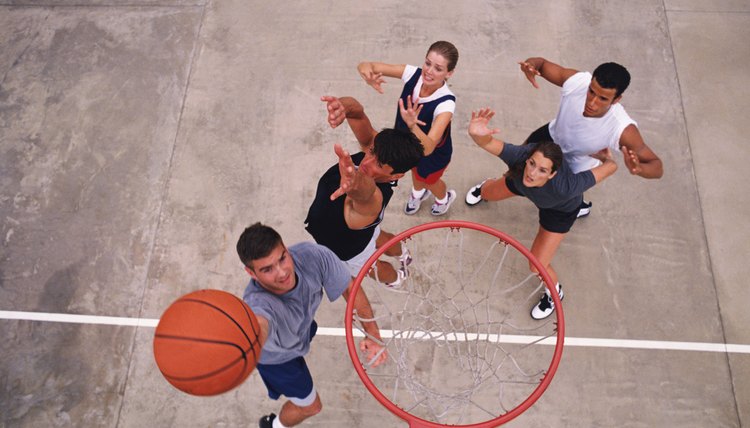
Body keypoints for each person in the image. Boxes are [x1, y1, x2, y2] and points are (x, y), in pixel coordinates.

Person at [467, 108, 618, 319]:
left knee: (536, 265)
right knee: (487, 192)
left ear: (553, 174)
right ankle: (484, 188)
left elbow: (611, 168)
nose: (532, 172)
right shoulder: (520, 160)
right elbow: (488, 143)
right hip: (522, 187)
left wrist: (606, 159)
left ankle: (555, 292)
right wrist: (476, 133)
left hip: (559, 211)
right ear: (527, 159)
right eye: (532, 164)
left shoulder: (567, 186)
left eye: (542, 170)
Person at [466, 58, 663, 217]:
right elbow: (542, 64)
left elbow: (656, 166)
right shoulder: (577, 82)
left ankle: (575, 205)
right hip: (547, 139)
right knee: (518, 171)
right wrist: (531, 66)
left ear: (617, 99)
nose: (592, 102)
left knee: (565, 194)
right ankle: (489, 188)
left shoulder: (622, 128)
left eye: (603, 98)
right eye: (591, 92)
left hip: (572, 167)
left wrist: (639, 169)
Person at [237, 222, 387, 428]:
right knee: (311, 407)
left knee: (307, 330)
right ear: (251, 273)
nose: (281, 272)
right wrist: (249, 342)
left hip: (302, 328)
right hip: (278, 358)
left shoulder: (314, 256)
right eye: (267, 269)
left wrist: (373, 334)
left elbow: (350, 287)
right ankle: (274, 426)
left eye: (282, 258)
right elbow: (259, 325)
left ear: (286, 249)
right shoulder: (258, 305)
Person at [305, 96, 424, 287]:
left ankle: (395, 279)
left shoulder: (373, 200)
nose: (367, 162)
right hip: (361, 233)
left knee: (371, 267)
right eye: (372, 152)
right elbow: (358, 114)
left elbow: (365, 195)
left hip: (352, 250)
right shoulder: (378, 152)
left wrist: (354, 182)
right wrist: (344, 106)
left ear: (396, 176)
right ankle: (403, 253)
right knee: (378, 235)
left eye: (379, 164)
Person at [358, 40, 459, 216]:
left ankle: (444, 198)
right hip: (407, 147)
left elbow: (428, 149)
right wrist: (367, 74)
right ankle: (418, 193)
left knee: (429, 179)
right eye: (428, 63)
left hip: (433, 156)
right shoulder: (413, 74)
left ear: (449, 73)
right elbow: (367, 65)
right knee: (415, 172)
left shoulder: (446, 104)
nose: (429, 71)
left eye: (438, 68)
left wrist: (412, 125)